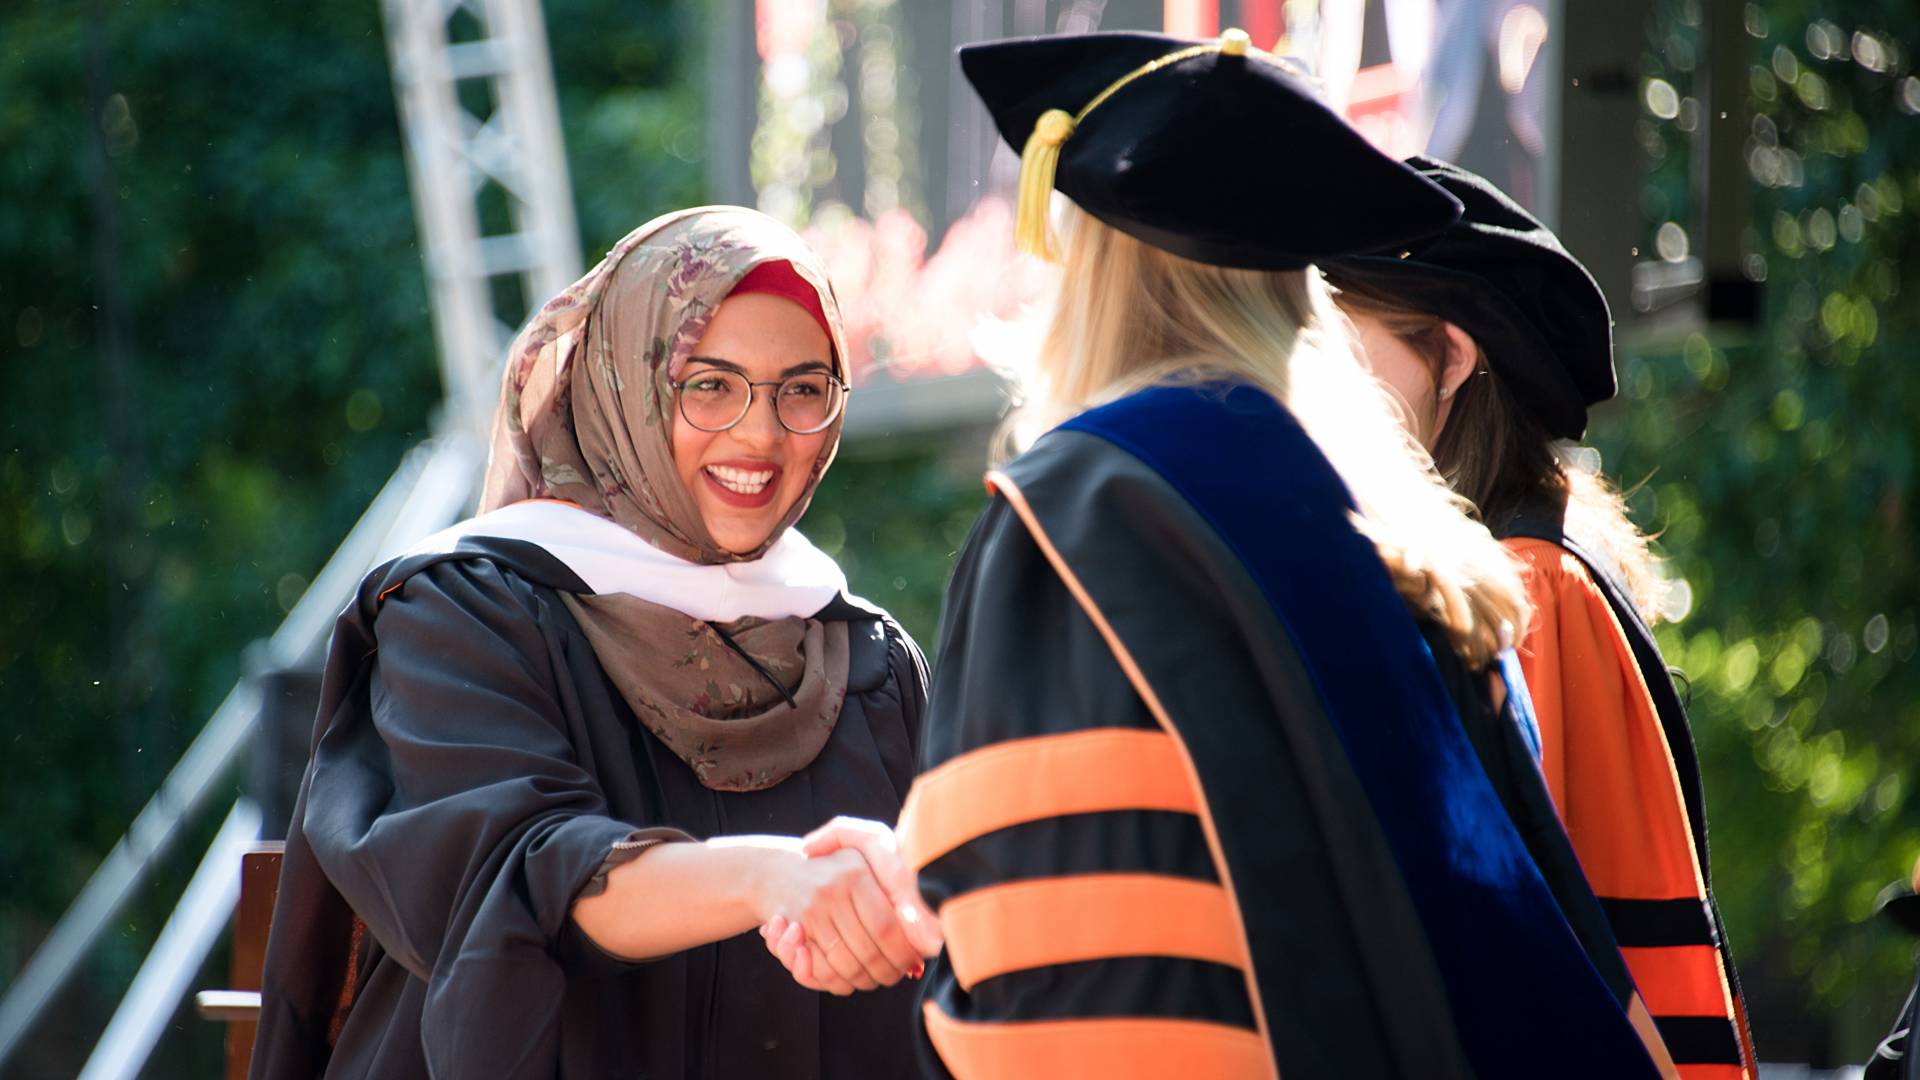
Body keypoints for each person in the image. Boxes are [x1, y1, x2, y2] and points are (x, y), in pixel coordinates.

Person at [757, 29, 1672, 1080]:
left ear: (1095, 268)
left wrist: (950, 895)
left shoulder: (1084, 518)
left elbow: (1074, 973)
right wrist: (931, 869)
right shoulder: (1421, 544)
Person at [250, 205, 940, 1079]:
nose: (762, 436)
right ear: (624, 389)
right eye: (710, 384)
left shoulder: (868, 661)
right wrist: (773, 878)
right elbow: (527, 877)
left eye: (801, 389)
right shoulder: (463, 612)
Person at [1325, 156, 1756, 1080]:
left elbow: (1509, 937)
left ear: (1450, 356)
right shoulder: (1545, 563)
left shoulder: (1526, 589)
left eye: (1342, 354)